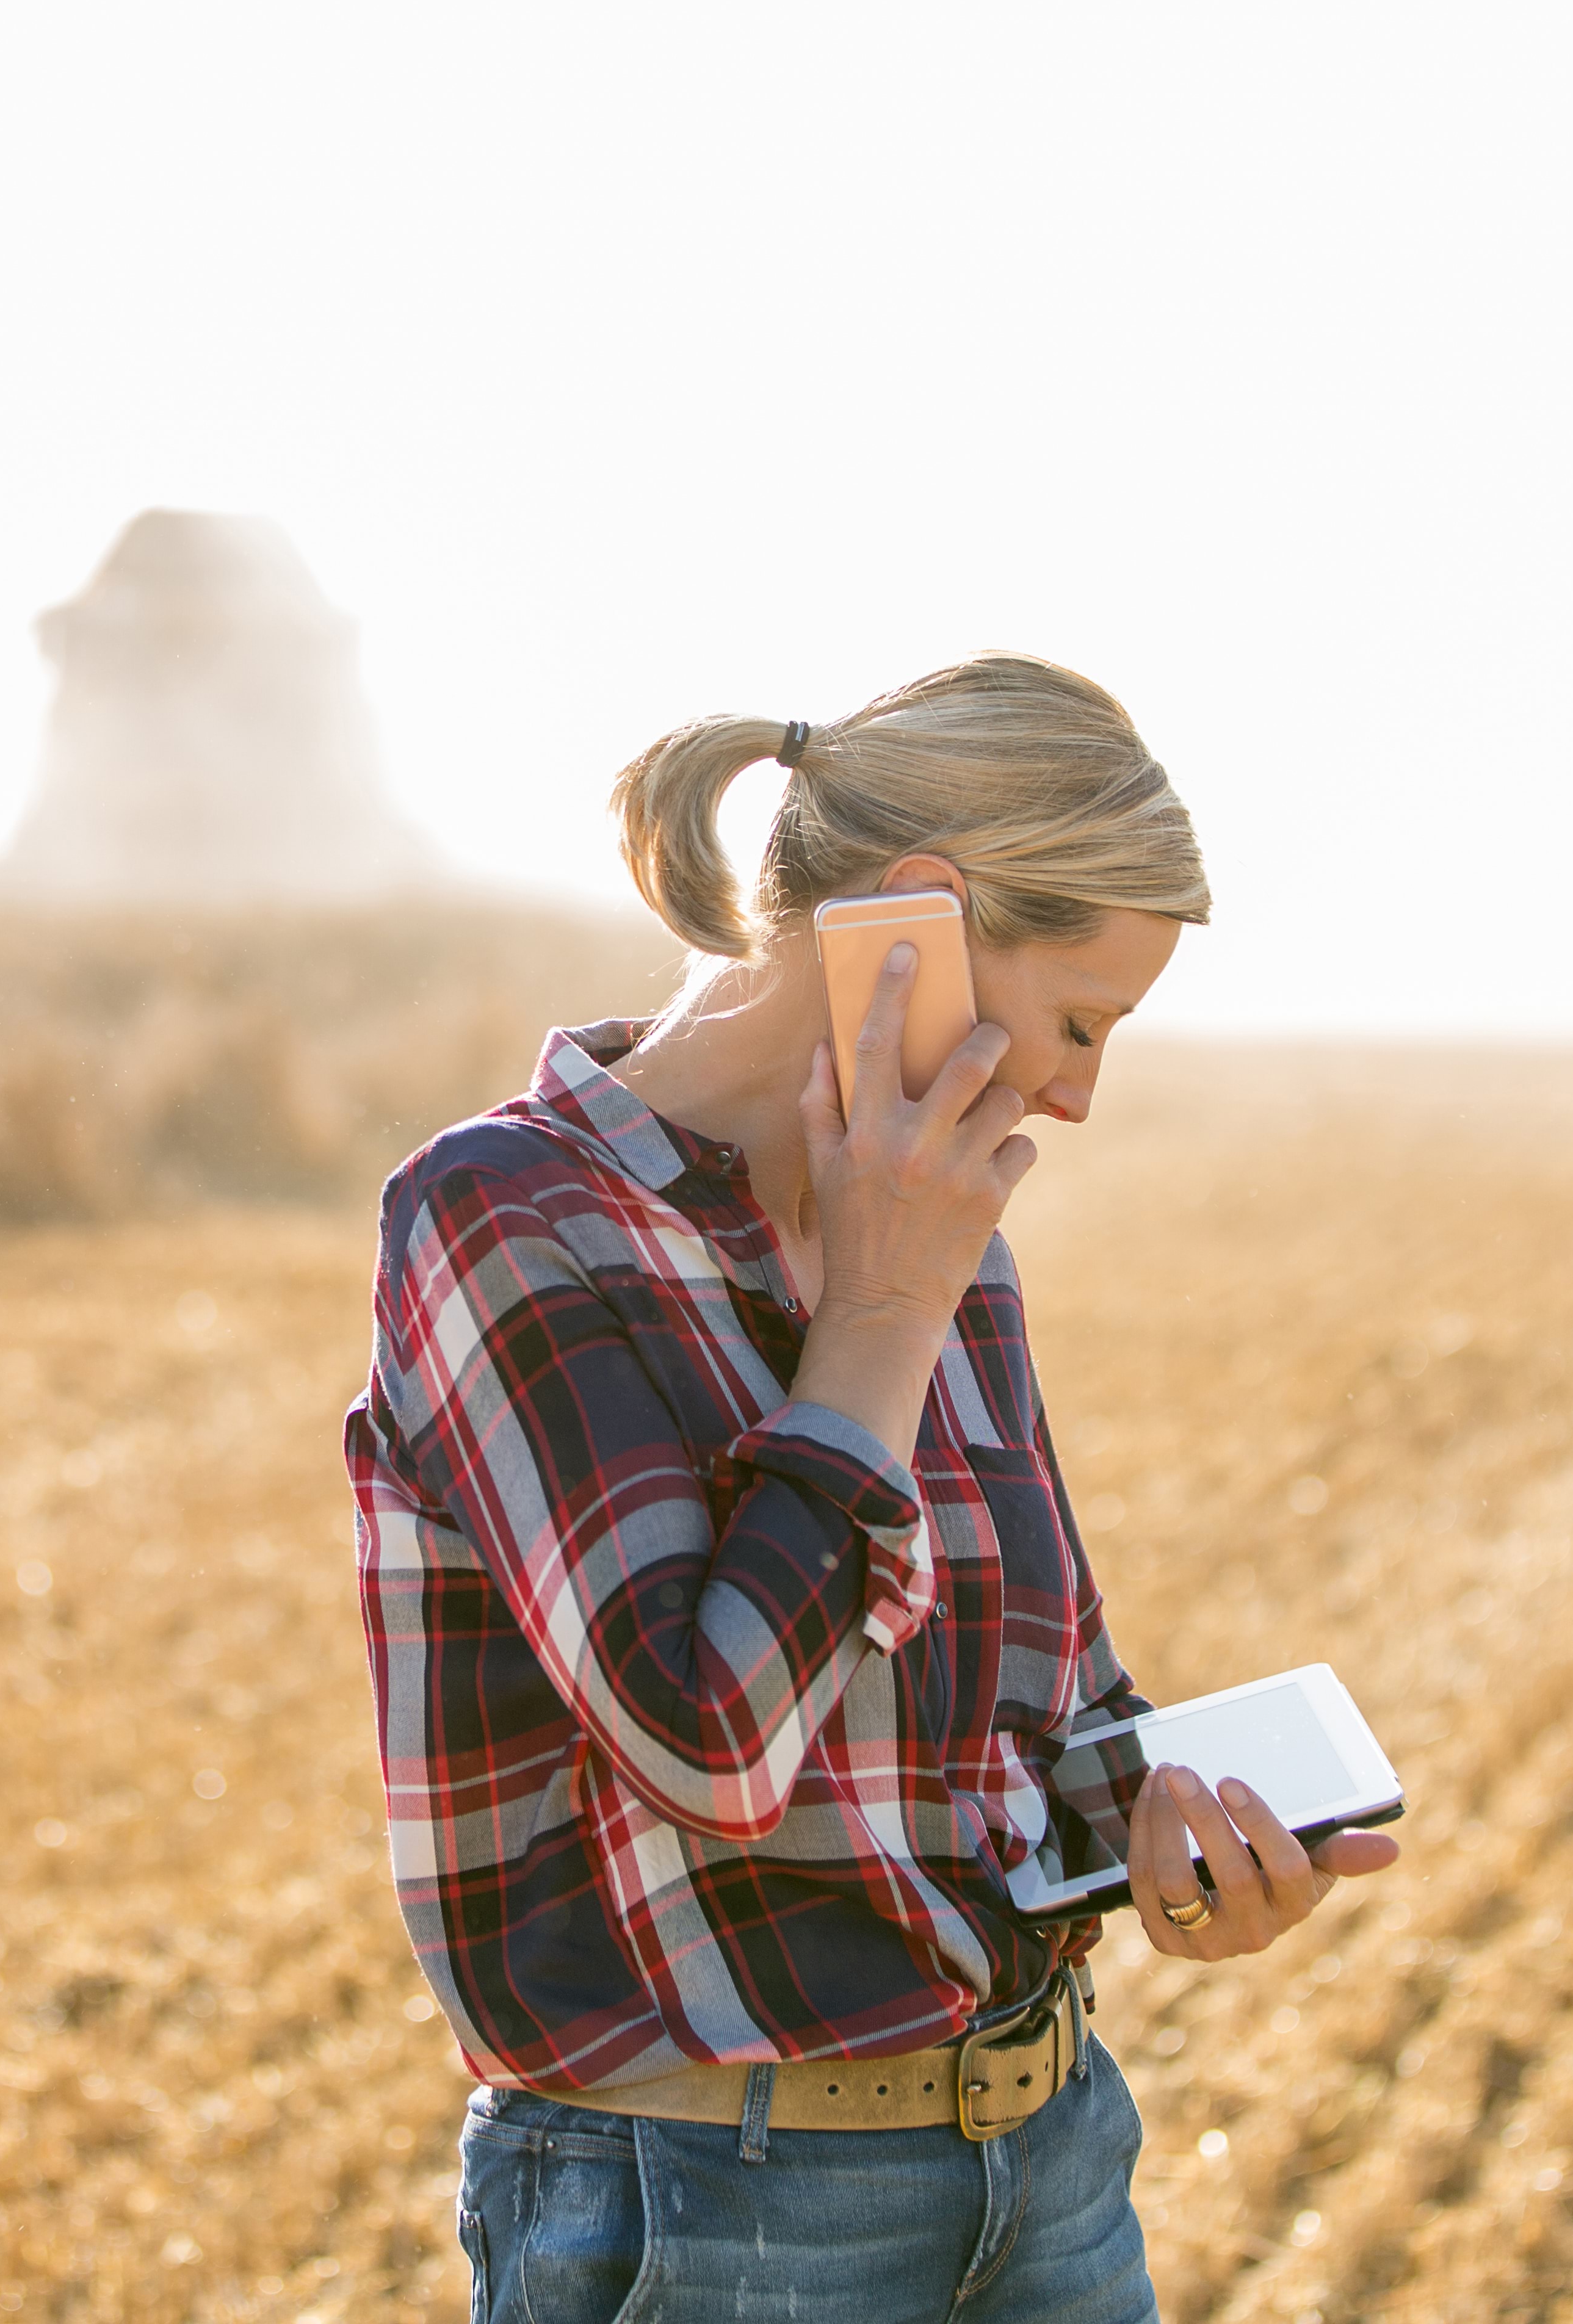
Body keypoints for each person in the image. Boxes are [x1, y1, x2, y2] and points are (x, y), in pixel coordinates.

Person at [343, 655, 1403, 2323]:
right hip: (717, 2209)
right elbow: (713, 1748)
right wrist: (884, 1311)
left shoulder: (937, 1239)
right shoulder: (513, 1217)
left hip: (1050, 2165)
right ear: (910, 920)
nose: (1078, 1095)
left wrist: (1162, 1835)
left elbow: (1041, 1716)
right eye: (1077, 1022)